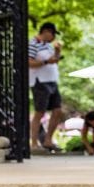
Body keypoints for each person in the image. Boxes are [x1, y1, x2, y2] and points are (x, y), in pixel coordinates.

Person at [27, 22, 64, 152]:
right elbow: (29, 62)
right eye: (53, 34)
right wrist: (46, 61)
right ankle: (34, 143)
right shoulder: (33, 43)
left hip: (52, 80)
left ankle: (48, 140)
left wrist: (58, 53)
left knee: (58, 110)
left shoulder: (48, 46)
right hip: (40, 81)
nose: (53, 37)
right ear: (46, 32)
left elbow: (54, 60)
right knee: (40, 112)